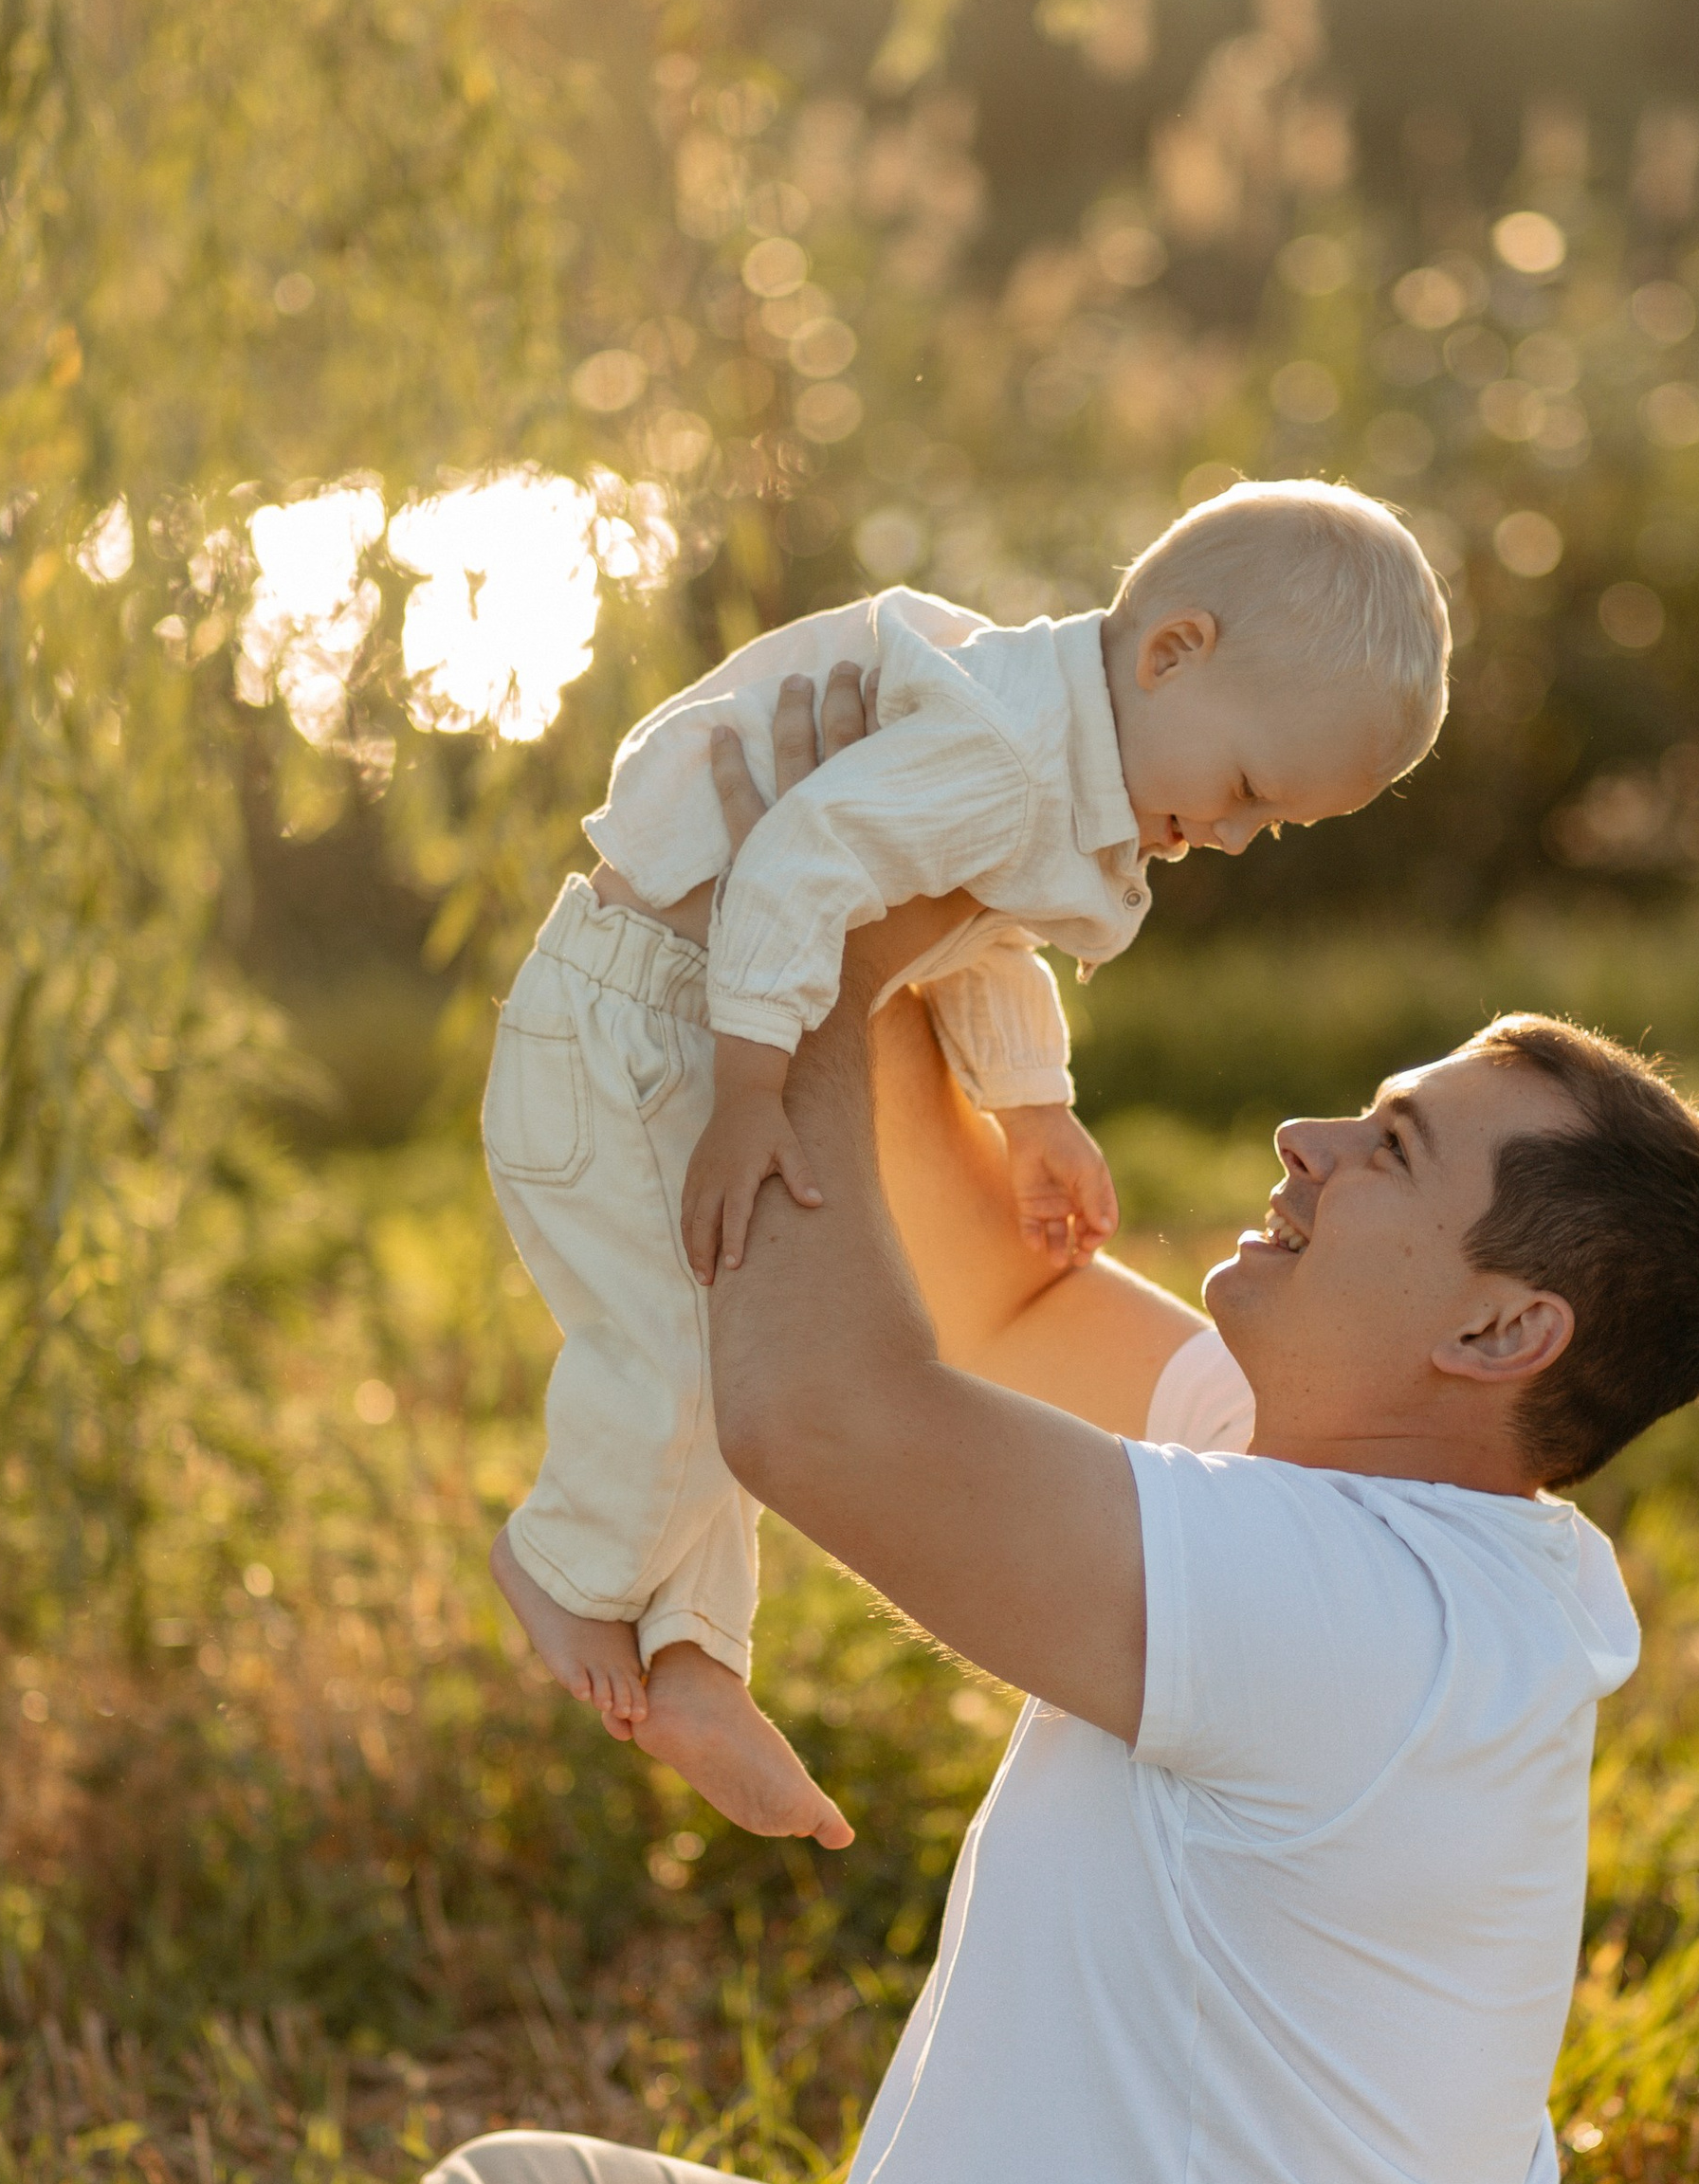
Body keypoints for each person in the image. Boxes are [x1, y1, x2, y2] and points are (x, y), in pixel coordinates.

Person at [188, 669, 1699, 2184]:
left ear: (1495, 1335)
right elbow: (993, 1309)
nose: (1305, 1143)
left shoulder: (1379, 1617)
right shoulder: (1348, 1485)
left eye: (1388, 1150)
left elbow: (826, 1413)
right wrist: (895, 857)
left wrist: (816, 943)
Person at [482, 480, 1448, 1846]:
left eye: (1268, 826)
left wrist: (1031, 1109)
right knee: (681, 1353)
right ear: (1172, 652)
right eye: (1242, 791)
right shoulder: (999, 747)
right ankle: (559, 1563)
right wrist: (754, 1085)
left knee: (721, 1338)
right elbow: (790, 867)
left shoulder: (1041, 752)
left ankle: (689, 1658)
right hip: (633, 1030)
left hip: (689, 1020)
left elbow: (980, 931)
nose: (1229, 837)